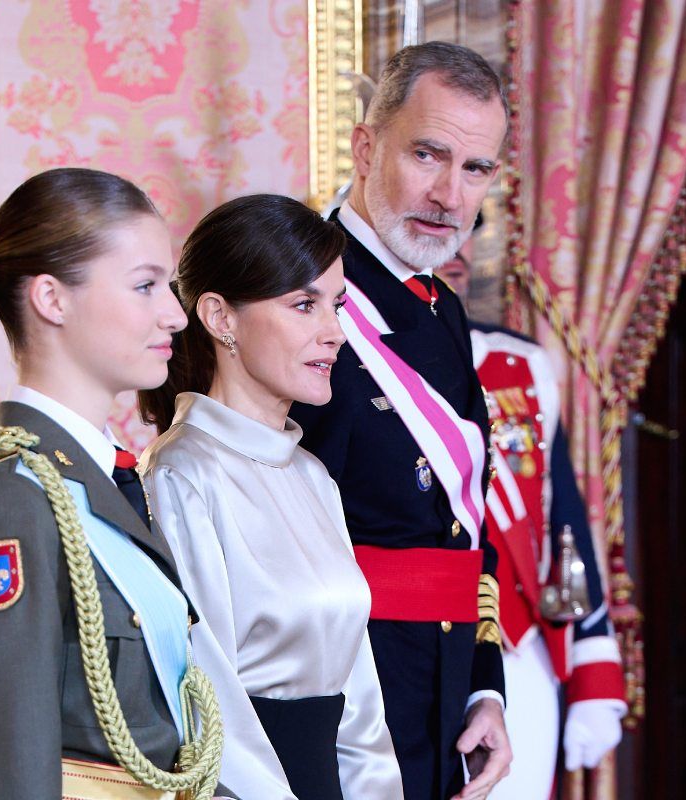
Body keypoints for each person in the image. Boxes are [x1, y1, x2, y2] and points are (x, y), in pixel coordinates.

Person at [0, 167, 228, 800]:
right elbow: (0, 774)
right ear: (52, 300)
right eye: (145, 286)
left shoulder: (107, 481)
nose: (174, 315)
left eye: (167, 287)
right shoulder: (8, 499)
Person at [288, 42, 513, 800]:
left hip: (441, 707)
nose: (451, 194)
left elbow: (462, 531)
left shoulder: (440, 308)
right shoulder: (291, 297)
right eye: (428, 153)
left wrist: (485, 689)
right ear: (364, 145)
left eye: (476, 168)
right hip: (344, 711)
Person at [137, 194, 405, 800]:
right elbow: (205, 702)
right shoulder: (181, 477)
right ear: (219, 317)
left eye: (336, 304)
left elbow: (360, 699)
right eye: (304, 304)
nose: (334, 332)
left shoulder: (312, 477)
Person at [435, 252, 628, 800]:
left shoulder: (519, 363)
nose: (454, 252)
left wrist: (594, 668)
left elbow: (562, 516)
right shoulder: (345, 357)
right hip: (412, 643)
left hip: (519, 642)